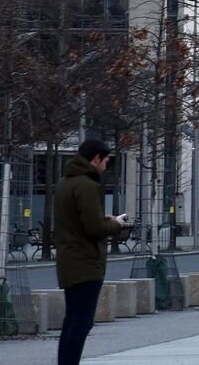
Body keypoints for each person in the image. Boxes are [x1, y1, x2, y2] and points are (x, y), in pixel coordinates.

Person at [54, 137, 130, 365]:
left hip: (69, 260)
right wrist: (116, 224)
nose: (106, 166)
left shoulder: (65, 183)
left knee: (72, 320)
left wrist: (101, 219)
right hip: (86, 262)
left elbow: (76, 221)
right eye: (106, 161)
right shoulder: (87, 185)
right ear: (96, 158)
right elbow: (94, 229)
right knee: (81, 323)